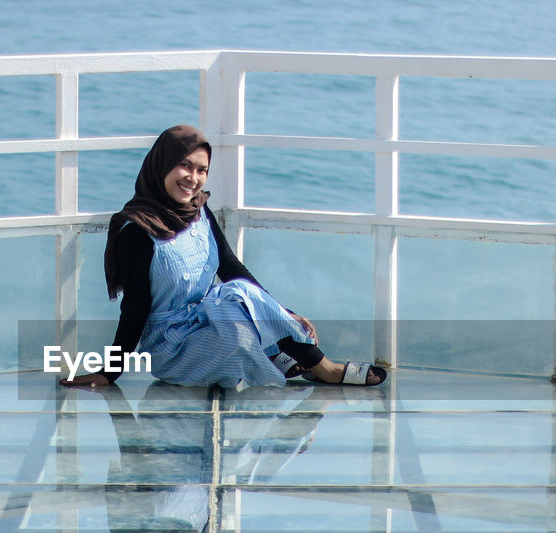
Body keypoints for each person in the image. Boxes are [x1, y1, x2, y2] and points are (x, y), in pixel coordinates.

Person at [60, 124, 386, 390]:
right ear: (161, 164)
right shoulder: (139, 232)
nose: (193, 177)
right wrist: (109, 372)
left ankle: (293, 357)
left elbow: (231, 268)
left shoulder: (198, 211)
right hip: (172, 349)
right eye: (184, 165)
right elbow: (135, 308)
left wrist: (281, 311)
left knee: (236, 296)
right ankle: (319, 366)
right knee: (237, 315)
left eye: (202, 170)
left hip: (206, 323)